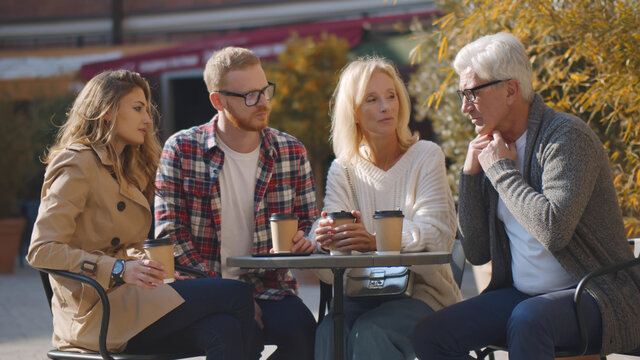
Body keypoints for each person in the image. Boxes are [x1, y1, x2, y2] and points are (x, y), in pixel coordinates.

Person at [410, 32, 640, 359]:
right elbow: (475, 253)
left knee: (529, 320)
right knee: (430, 335)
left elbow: (553, 230)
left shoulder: (565, 138)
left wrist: (501, 171)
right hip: (523, 297)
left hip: (596, 294)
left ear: (510, 89)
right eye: (462, 95)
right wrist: (471, 176)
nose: (464, 107)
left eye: (472, 93)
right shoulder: (493, 148)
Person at [27, 70, 256, 359]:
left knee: (225, 329)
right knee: (236, 294)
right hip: (96, 311)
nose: (148, 120)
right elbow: (41, 251)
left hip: (131, 300)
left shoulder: (126, 166)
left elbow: (125, 246)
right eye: (137, 109)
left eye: (147, 110)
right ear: (107, 111)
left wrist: (153, 273)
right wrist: (119, 269)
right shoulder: (77, 163)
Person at [154, 46, 318, 360]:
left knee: (306, 336)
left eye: (265, 91)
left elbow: (309, 225)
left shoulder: (290, 151)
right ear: (218, 100)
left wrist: (305, 241)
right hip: (204, 290)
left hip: (269, 287)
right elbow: (170, 236)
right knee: (234, 335)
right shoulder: (181, 149)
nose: (263, 103)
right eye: (249, 96)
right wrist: (231, 295)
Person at [312, 56, 461, 360]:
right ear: (353, 112)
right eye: (372, 99)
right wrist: (325, 242)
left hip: (425, 296)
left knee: (372, 332)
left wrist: (375, 241)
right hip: (361, 296)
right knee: (328, 331)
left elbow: (438, 236)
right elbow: (330, 276)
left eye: (391, 96)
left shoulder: (426, 156)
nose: (386, 107)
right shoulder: (343, 170)